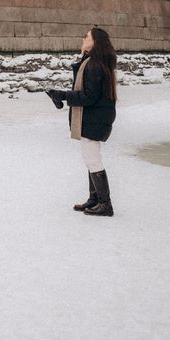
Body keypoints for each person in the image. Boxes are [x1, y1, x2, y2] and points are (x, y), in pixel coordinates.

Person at [47, 27, 117, 216]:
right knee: (90, 158)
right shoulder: (94, 62)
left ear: (95, 42)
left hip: (94, 118)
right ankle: (95, 199)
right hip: (96, 118)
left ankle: (105, 203)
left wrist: (62, 95)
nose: (83, 38)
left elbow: (88, 96)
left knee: (92, 159)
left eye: (86, 36)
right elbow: (87, 91)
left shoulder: (94, 64)